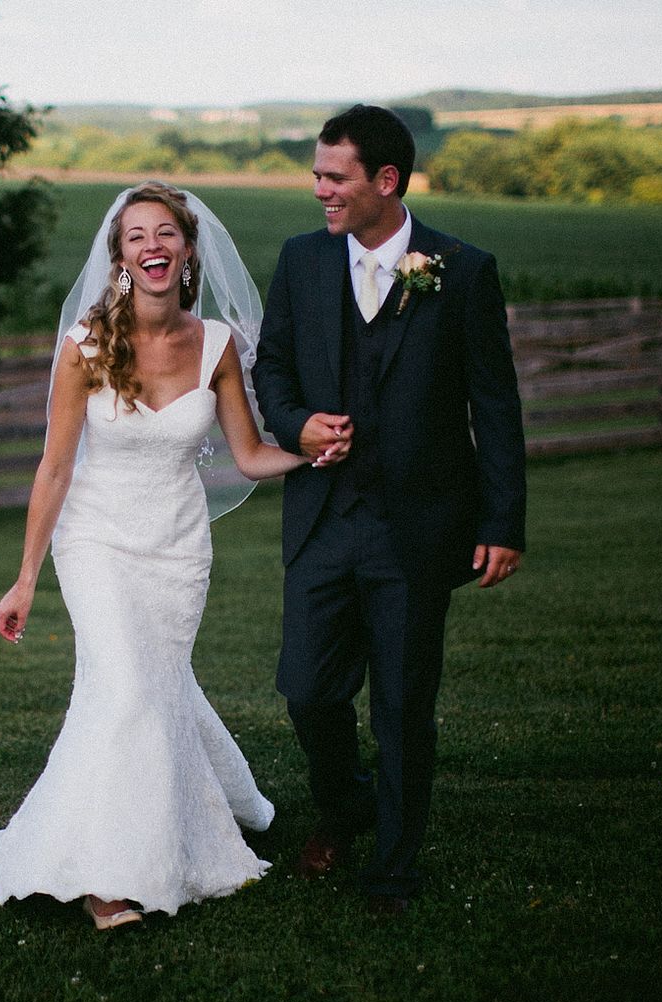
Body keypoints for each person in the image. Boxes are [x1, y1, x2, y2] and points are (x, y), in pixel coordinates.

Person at [0, 182, 308, 930]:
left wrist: (313, 454)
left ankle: (215, 813)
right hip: (96, 539)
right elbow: (54, 467)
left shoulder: (215, 344)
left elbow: (248, 457)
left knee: (154, 688)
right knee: (123, 688)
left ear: (187, 250)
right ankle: (107, 877)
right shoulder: (85, 344)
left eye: (166, 235)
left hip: (178, 549)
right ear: (119, 257)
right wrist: (24, 578)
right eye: (136, 237)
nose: (152, 248)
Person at [251, 105, 527, 917]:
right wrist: (295, 422)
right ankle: (347, 807)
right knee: (307, 691)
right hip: (324, 520)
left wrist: (502, 523)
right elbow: (271, 368)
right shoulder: (302, 261)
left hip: (418, 526)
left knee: (404, 706)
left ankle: (395, 868)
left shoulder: (462, 270)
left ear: (386, 181)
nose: (319, 191)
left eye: (333, 177)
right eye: (317, 175)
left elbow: (496, 406)